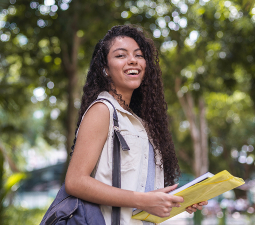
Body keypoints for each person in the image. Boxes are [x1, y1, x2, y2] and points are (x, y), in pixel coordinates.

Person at [65, 25, 208, 225]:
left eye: (138, 55)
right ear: (105, 69)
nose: (133, 60)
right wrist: (143, 200)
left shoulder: (141, 124)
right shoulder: (103, 110)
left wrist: (176, 200)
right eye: (121, 55)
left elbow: (140, 192)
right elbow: (75, 181)